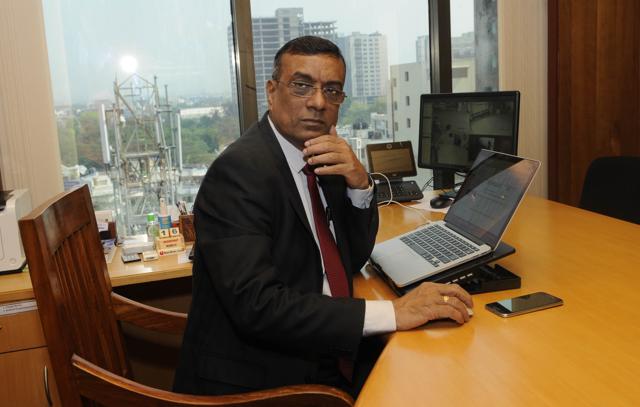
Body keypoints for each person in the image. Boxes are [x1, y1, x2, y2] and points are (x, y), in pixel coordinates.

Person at [173, 36, 473, 398]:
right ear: (271, 91)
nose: (318, 102)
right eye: (302, 86)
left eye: (332, 90)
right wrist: (392, 312)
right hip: (262, 378)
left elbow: (352, 258)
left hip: (319, 345)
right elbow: (258, 306)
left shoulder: (322, 155)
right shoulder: (239, 174)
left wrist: (360, 183)